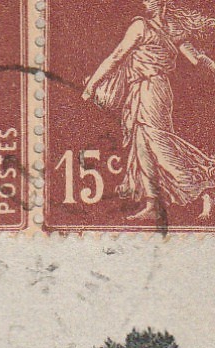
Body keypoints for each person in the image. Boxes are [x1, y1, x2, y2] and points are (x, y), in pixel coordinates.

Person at [83, 0, 215, 219]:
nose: (145, 2)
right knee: (142, 144)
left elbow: (116, 57)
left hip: (150, 90)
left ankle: (202, 187)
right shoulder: (170, 27)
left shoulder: (142, 26)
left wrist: (91, 85)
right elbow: (196, 58)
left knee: (158, 144)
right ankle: (153, 203)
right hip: (150, 89)